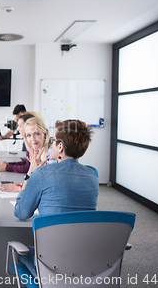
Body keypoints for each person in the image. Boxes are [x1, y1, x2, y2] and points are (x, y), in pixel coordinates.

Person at [13, 119, 99, 278]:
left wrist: (31, 173)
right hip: (85, 262)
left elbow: (21, 213)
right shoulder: (93, 175)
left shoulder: (42, 173)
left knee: (20, 253)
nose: (50, 144)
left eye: (53, 141)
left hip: (51, 266)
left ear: (60, 147)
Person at [0, 117, 54, 192]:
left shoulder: (51, 153)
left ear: (45, 133)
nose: (33, 139)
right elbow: (34, 179)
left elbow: (49, 185)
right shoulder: (35, 151)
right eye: (29, 135)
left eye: (37, 134)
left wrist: (20, 188)